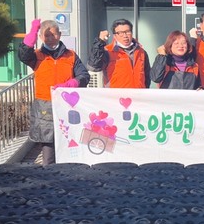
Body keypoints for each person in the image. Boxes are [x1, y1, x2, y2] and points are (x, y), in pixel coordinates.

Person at [18, 18, 89, 166]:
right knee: (48, 149)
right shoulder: (36, 56)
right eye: (47, 35)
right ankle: (49, 175)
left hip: (68, 104)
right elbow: (23, 54)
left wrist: (71, 84)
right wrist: (33, 30)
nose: (50, 38)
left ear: (60, 35)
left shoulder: (71, 55)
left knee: (71, 142)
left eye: (54, 34)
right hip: (45, 105)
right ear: (41, 37)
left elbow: (84, 75)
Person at [87, 19, 150, 88]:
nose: (125, 35)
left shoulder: (141, 52)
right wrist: (100, 41)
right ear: (115, 36)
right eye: (120, 33)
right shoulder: (108, 51)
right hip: (115, 94)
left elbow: (147, 77)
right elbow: (93, 67)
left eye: (127, 32)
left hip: (139, 93)